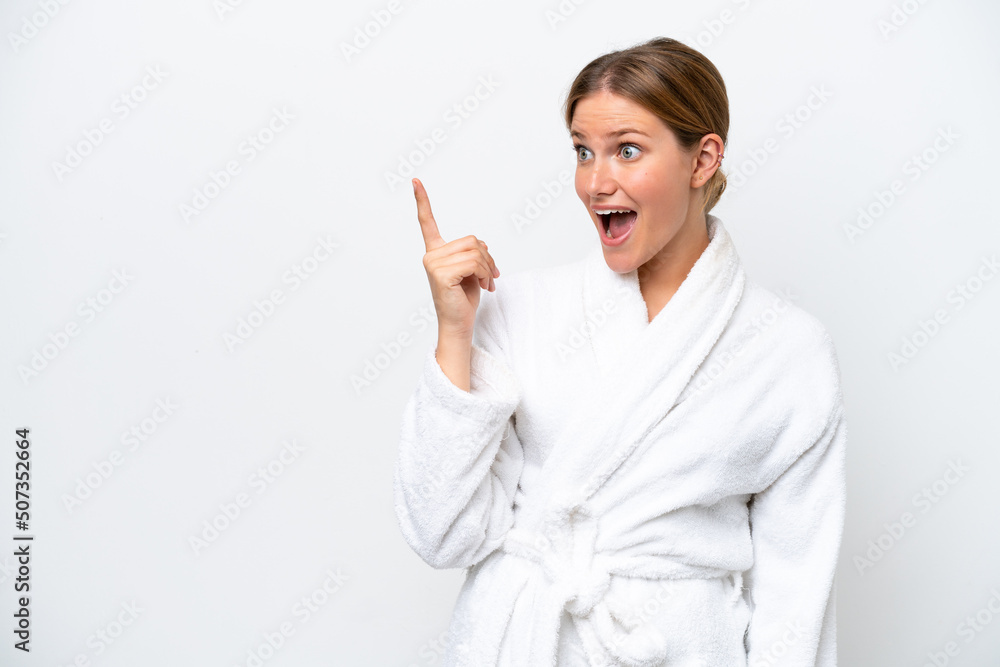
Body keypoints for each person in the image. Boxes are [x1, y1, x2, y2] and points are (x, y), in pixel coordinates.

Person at [393, 37, 847, 667]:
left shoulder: (786, 351)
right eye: (584, 152)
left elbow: (797, 600)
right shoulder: (515, 312)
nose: (595, 182)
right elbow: (442, 534)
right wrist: (453, 336)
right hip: (524, 641)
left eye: (626, 150)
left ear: (702, 159)